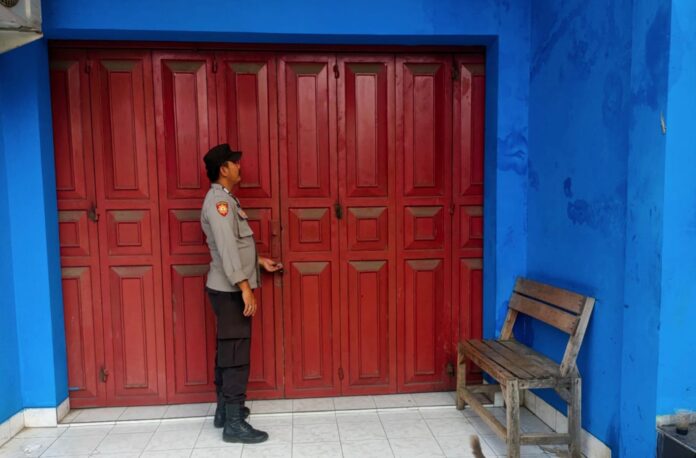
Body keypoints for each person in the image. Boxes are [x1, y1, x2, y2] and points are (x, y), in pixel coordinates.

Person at [200, 144, 283, 444]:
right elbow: (226, 249)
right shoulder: (219, 203)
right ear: (224, 169)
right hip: (231, 291)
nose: (239, 167)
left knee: (228, 350)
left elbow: (235, 245)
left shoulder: (224, 199)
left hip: (227, 289)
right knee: (236, 356)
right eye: (235, 163)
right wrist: (245, 288)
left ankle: (225, 411)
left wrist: (259, 261)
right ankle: (234, 424)